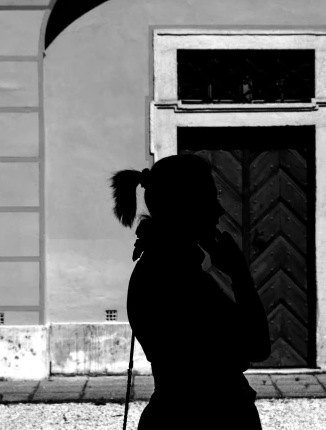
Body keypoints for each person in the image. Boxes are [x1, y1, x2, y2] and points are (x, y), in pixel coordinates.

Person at [110, 154, 271, 429]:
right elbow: (257, 345)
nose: (219, 211)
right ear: (184, 206)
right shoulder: (178, 274)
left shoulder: (168, 265)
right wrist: (240, 272)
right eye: (210, 198)